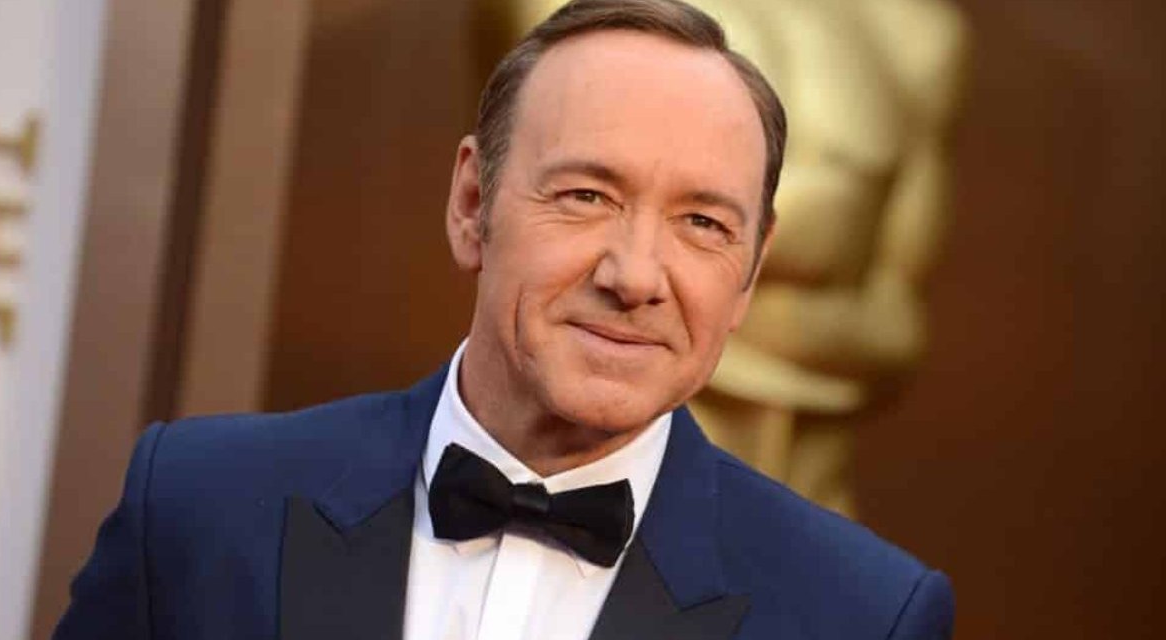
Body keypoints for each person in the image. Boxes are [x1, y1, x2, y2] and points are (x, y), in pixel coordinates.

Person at [54, 0, 954, 638]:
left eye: (703, 224)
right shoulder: (198, 508)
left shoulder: (863, 615)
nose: (635, 275)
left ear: (751, 270)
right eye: (587, 195)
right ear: (471, 203)